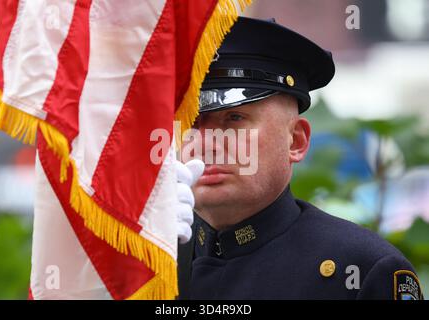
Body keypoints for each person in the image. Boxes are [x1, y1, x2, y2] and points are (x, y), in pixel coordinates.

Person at [177, 17, 423, 300]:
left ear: (296, 141)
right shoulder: (145, 262)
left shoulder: (360, 269)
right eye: (191, 121)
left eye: (234, 118)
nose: (208, 141)